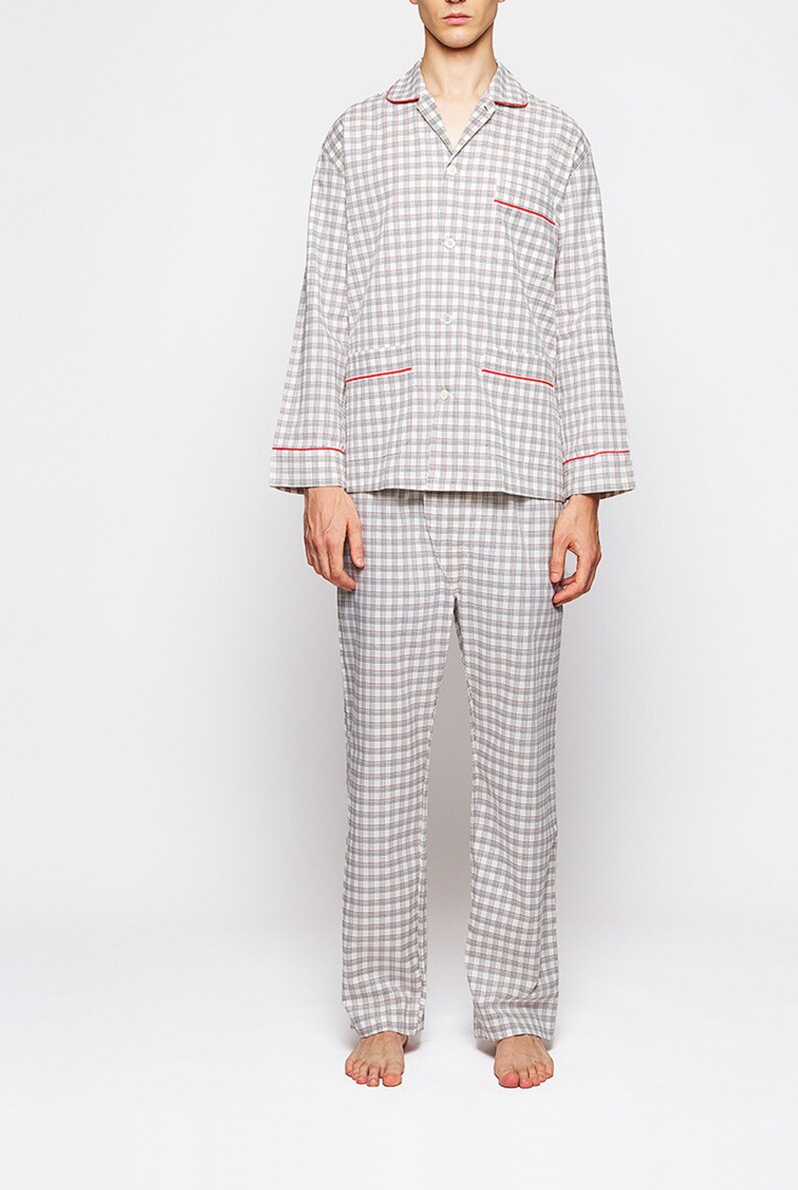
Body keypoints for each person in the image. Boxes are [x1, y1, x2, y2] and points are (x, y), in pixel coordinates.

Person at [269, 0, 635, 1089]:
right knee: (381, 762)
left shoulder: (556, 139)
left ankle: (515, 1005)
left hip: (522, 485)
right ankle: (382, 1003)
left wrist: (587, 494)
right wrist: (320, 473)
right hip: (381, 484)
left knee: (519, 765)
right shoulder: (355, 135)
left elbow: (583, 317)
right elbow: (324, 305)